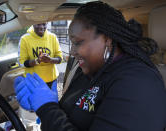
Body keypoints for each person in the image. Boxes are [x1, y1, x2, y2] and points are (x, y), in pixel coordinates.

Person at [14, 1, 166, 131]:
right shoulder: (89, 70)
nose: (72, 52)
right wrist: (49, 106)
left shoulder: (138, 83)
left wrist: (47, 108)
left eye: (78, 42)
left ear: (108, 39)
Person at [18, 23, 63, 88]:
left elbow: (60, 58)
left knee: (51, 98)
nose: (41, 27)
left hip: (51, 80)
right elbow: (22, 63)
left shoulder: (53, 37)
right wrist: (37, 60)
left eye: (44, 24)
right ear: (33, 24)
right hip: (33, 82)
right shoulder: (25, 39)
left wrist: (50, 60)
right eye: (38, 24)